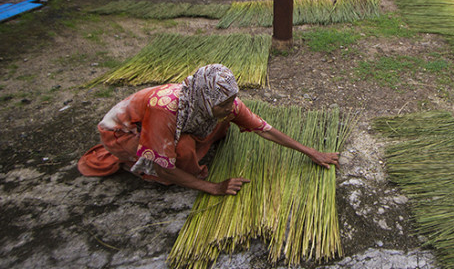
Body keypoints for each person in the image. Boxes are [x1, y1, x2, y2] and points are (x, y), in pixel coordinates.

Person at [78, 64, 339, 195]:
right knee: (180, 154)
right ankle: (127, 161)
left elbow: (264, 129)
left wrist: (311, 152)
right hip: (122, 134)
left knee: (224, 123)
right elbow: (163, 166)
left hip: (163, 127)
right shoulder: (165, 109)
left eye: (231, 101)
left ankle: (158, 151)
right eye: (223, 104)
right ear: (204, 98)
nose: (230, 107)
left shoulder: (219, 100)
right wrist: (214, 187)